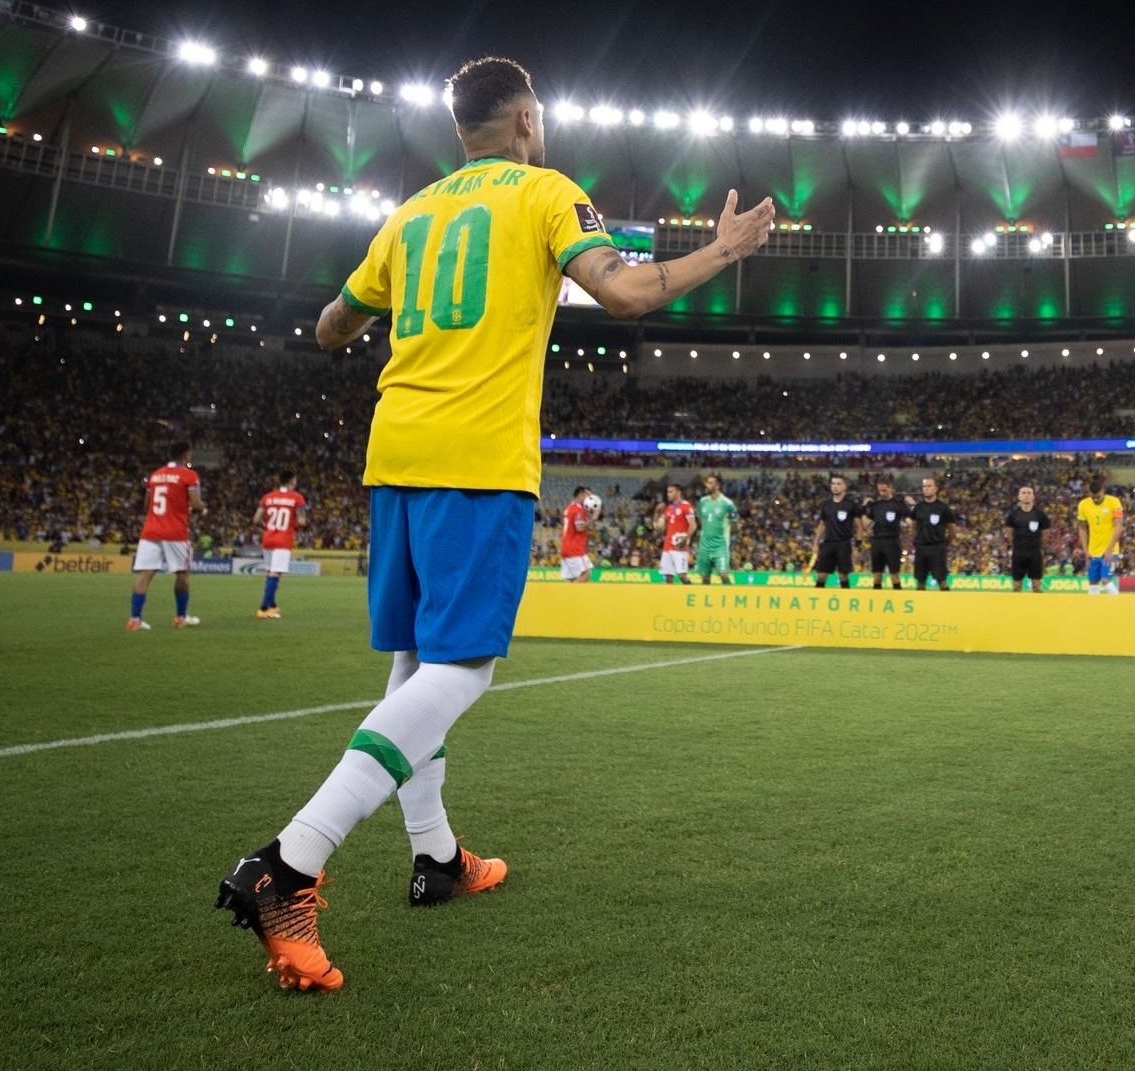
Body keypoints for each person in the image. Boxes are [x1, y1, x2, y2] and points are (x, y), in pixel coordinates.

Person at [216, 55, 775, 992]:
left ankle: (434, 856)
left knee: (414, 668)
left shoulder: (411, 214)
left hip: (394, 458)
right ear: (526, 122)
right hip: (478, 465)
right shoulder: (548, 193)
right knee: (462, 669)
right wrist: (724, 250)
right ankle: (289, 864)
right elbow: (629, 293)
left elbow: (328, 327)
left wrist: (389, 307)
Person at [127, 441, 205, 631]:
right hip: (175, 532)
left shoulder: (156, 475)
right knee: (183, 573)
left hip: (151, 531)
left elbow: (147, 505)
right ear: (186, 456)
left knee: (145, 574)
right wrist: (202, 510)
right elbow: (196, 505)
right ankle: (180, 617)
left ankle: (135, 620)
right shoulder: (189, 475)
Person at [253, 471, 306, 619]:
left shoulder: (268, 497)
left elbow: (256, 520)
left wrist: (269, 526)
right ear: (292, 482)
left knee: (271, 571)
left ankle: (272, 606)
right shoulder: (297, 498)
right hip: (283, 540)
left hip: (268, 538)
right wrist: (290, 526)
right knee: (276, 572)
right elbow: (302, 522)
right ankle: (264, 607)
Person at [1075, 479, 1123, 595]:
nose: (1095, 499)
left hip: (1110, 550)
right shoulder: (1083, 505)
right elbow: (1082, 528)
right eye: (1093, 497)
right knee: (1092, 582)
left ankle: (1120, 608)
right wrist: (1086, 551)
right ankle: (1093, 611)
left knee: (1106, 579)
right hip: (1093, 551)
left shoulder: (1114, 502)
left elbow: (1119, 526)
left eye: (1098, 497)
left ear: (1103, 491)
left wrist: (1110, 549)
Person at [910, 476, 956, 591]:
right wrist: (915, 540)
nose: (926, 489)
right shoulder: (918, 507)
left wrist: (945, 544)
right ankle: (920, 607)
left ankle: (947, 606)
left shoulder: (943, 508)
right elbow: (913, 526)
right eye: (924, 486)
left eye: (929, 486)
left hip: (937, 548)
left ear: (936, 489)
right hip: (921, 547)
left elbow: (952, 529)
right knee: (920, 581)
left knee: (942, 580)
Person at [864, 476, 911, 590]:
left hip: (892, 542)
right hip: (877, 541)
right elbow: (866, 525)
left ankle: (898, 599)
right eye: (880, 490)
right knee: (876, 575)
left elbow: (910, 521)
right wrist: (864, 507)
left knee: (894, 575)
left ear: (891, 489)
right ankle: (877, 600)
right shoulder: (875, 505)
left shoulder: (899, 505)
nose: (882, 493)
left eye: (884, 490)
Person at [1003, 485, 1050, 593]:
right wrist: (1016, 544)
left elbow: (1046, 534)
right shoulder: (1013, 515)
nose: (1026, 495)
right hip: (1018, 552)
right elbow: (1009, 532)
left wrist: (1037, 546)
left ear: (1033, 496)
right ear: (1019, 497)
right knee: (1016, 587)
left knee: (1036, 587)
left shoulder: (1041, 515)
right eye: (1023, 493)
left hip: (1035, 553)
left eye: (1029, 493)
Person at [694, 474, 737, 585]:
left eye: (710, 483)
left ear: (717, 486)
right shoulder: (703, 501)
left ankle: (730, 597)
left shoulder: (728, 504)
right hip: (704, 545)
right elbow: (700, 519)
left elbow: (735, 522)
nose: (707, 485)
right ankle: (705, 600)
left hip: (720, 545)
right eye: (707, 483)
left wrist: (724, 532)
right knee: (705, 576)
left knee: (723, 574)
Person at [657, 483, 696, 585]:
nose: (668, 494)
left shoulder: (686, 506)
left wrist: (686, 539)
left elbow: (693, 525)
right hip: (667, 547)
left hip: (680, 547)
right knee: (668, 578)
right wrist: (657, 513)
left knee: (682, 576)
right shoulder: (668, 509)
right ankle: (669, 600)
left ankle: (691, 592)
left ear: (678, 493)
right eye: (667, 492)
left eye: (671, 492)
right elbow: (659, 527)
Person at [559, 486, 594, 583]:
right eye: (588, 496)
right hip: (575, 548)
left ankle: (566, 597)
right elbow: (579, 528)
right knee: (586, 575)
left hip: (566, 547)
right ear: (581, 495)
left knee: (573, 579)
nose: (590, 499)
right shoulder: (579, 509)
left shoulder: (569, 508)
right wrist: (593, 518)